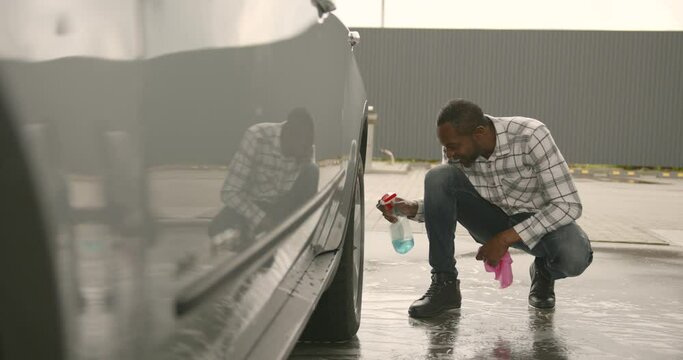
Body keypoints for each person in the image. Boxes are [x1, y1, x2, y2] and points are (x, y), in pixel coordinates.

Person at [379, 99, 593, 318]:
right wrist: (410, 208)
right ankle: (445, 285)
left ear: (479, 133)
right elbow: (446, 200)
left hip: (538, 224)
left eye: (453, 146)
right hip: (491, 220)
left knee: (575, 256)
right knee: (438, 177)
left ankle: (544, 271)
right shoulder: (459, 152)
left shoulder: (531, 136)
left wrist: (503, 239)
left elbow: (568, 205)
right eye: (446, 148)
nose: (449, 154)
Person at [209, 108, 319, 245]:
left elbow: (306, 195)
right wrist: (262, 219)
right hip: (254, 204)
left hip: (284, 206)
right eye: (304, 146)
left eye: (310, 145)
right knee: (217, 229)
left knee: (312, 170)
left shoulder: (306, 147)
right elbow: (230, 192)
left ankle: (292, 242)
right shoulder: (256, 137)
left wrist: (305, 166)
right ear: (290, 136)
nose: (308, 150)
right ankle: (261, 247)